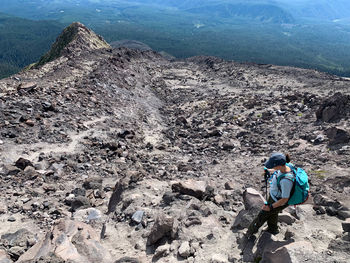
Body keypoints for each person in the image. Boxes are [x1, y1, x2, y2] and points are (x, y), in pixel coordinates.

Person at [246, 152, 295, 237]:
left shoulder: (286, 181)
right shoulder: (287, 166)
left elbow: (285, 199)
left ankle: (249, 233)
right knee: (273, 213)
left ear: (279, 165)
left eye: (273, 166)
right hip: (274, 196)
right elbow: (278, 170)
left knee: (262, 215)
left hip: (278, 201)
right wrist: (269, 171)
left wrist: (270, 207)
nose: (272, 167)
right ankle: (273, 229)